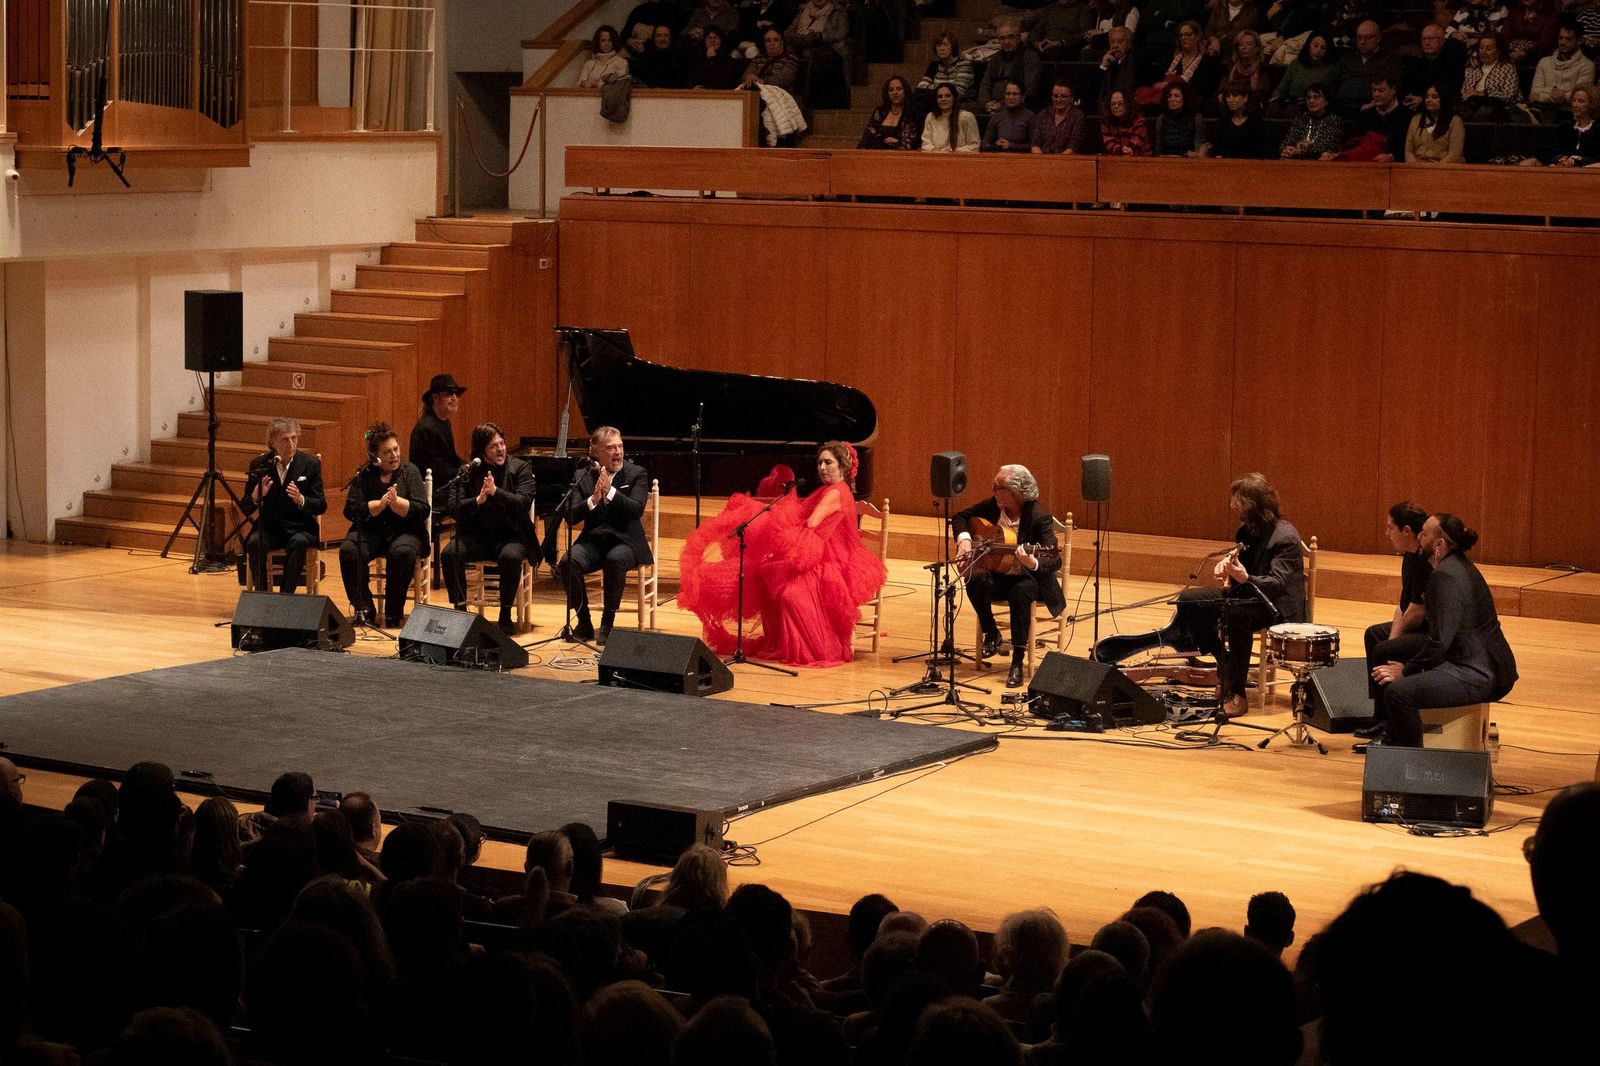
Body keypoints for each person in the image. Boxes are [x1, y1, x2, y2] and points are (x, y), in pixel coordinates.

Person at [677, 441, 887, 667]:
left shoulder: (835, 493)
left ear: (842, 467)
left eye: (828, 462)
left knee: (787, 591)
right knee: (767, 572)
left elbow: (812, 522)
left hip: (829, 561)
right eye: (820, 463)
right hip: (824, 554)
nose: (822, 467)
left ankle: (806, 646)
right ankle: (783, 642)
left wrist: (786, 522)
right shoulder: (832, 490)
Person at [1372, 513, 1518, 748]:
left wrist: (1407, 671)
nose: (1419, 537)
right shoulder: (1456, 566)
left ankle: (1410, 764)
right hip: (1470, 656)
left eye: (1425, 534)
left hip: (1476, 670)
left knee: (1398, 693)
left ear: (1439, 544)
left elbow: (1440, 642)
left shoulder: (1445, 577)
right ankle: (1388, 731)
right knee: (1387, 650)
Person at [1174, 473, 1306, 718]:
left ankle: (1238, 693)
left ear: (1256, 507)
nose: (1239, 514)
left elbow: (1278, 584)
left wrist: (1246, 578)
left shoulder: (1285, 538)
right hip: (1248, 596)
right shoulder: (1246, 532)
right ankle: (1224, 662)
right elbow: (1239, 568)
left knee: (1236, 616)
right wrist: (1227, 566)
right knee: (1188, 602)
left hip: (1277, 606)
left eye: (1242, 509)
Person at [953, 465, 1065, 689]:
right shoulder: (995, 506)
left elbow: (1054, 559)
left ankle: (1017, 663)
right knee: (974, 578)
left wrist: (1032, 561)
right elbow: (960, 517)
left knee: (1020, 592)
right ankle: (991, 632)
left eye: (997, 487)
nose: (993, 490)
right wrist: (965, 539)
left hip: (1030, 580)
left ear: (1013, 493)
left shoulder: (1039, 517)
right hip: (1000, 575)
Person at [550, 427, 653, 646]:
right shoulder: (582, 476)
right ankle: (584, 622)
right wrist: (593, 499)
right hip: (594, 541)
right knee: (568, 562)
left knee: (614, 560)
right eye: (610, 448)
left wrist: (612, 492)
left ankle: (607, 622)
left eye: (620, 446)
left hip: (626, 541)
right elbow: (570, 517)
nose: (618, 452)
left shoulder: (637, 473)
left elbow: (636, 509)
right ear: (596, 452)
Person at [441, 422, 537, 634]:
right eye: (494, 446)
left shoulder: (520, 467)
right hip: (477, 537)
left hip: (511, 536)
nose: (501, 449)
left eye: (502, 443)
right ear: (481, 450)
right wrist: (477, 500)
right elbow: (452, 507)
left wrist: (495, 492)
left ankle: (505, 615)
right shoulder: (467, 471)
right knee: (449, 554)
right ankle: (460, 611)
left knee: (511, 557)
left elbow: (523, 502)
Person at [339, 422, 429, 628]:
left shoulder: (410, 471)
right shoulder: (364, 474)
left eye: (396, 449)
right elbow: (351, 510)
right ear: (375, 456)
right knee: (349, 550)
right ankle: (364, 608)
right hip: (372, 531)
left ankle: (393, 612)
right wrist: (376, 506)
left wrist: (399, 505)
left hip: (405, 530)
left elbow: (423, 509)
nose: (394, 455)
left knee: (402, 552)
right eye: (387, 452)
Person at [1358, 502, 1432, 739]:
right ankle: (1379, 714)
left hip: (1431, 632)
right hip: (1417, 622)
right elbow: (1403, 607)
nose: (1387, 533)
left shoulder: (1424, 560)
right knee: (1374, 635)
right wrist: (1392, 639)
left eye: (1391, 528)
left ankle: (1391, 725)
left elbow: (1417, 612)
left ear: (1407, 530)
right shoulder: (1409, 556)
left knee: (1386, 647)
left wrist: (1393, 642)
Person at [242, 418, 326, 595]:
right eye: (285, 439)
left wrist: (301, 499)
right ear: (272, 443)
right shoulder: (260, 466)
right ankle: (262, 595)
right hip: (270, 528)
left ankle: (285, 597)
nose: (291, 444)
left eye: (294, 438)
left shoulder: (310, 464)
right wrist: (256, 497)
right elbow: (245, 507)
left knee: (298, 543)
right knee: (255, 542)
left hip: (300, 528)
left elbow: (320, 505)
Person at [409, 373, 465, 509]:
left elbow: (450, 457)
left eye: (456, 394)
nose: (454, 398)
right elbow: (433, 468)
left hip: (442, 484)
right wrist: (460, 471)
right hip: (432, 489)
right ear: (435, 397)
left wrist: (465, 466)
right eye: (448, 394)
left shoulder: (444, 422)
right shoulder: (426, 427)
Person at [1331, 20, 1398, 118]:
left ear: (1378, 38)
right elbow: (1333, 83)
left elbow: (1395, 86)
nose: (1362, 42)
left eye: (1367, 38)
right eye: (1359, 37)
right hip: (1341, 107)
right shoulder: (1347, 57)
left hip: (1372, 108)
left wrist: (1376, 103)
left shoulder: (1389, 58)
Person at [1530, 21, 1595, 113]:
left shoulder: (1587, 66)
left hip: (1572, 115)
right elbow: (1534, 95)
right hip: (1542, 113)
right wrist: (1563, 94)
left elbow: (1579, 99)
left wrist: (1545, 94)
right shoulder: (1544, 62)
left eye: (1568, 39)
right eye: (1561, 38)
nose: (1562, 42)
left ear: (1579, 41)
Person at [979, 22, 1043, 113]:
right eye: (1002, 38)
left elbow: (1030, 91)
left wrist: (1003, 106)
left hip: (1019, 105)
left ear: (1019, 37)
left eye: (1010, 37)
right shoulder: (996, 58)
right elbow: (985, 85)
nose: (1006, 42)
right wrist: (987, 103)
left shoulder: (1030, 57)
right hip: (992, 104)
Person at [1349, 73, 1413, 162]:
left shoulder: (1407, 116)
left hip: (1395, 167)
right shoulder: (1365, 115)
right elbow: (1354, 143)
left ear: (1393, 90)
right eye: (1374, 90)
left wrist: (1392, 157)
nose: (1376, 94)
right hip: (1364, 163)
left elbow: (1410, 148)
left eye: (1381, 90)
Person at [1403, 22, 1467, 107]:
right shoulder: (1416, 65)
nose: (1426, 43)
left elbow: (1450, 92)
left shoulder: (1452, 64)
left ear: (1442, 41)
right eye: (1424, 39)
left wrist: (1423, 99)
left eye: (1431, 39)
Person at [1268, 30, 1330, 116]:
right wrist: (1275, 99)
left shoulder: (1329, 69)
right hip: (1291, 101)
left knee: (1291, 111)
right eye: (1315, 46)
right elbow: (1282, 87)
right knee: (1273, 109)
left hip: (1312, 106)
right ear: (1309, 46)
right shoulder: (1296, 64)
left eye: (1323, 48)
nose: (1318, 50)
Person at [1460, 33, 1521, 119]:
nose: (1483, 52)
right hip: (1472, 105)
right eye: (1481, 48)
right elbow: (1465, 93)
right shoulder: (1471, 69)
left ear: (1498, 52)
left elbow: (1509, 95)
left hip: (1496, 106)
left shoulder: (1507, 68)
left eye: (1488, 49)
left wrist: (1481, 94)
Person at [1278, 83, 1343, 159]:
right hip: (1296, 158)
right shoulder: (1301, 118)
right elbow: (1287, 141)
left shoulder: (1333, 120)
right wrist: (1287, 149)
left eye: (1316, 97)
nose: (1311, 101)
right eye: (1308, 98)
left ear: (1326, 101)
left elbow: (1327, 146)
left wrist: (1301, 150)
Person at [1405, 84, 1467, 163]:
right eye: (1427, 96)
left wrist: (1435, 170)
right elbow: (1408, 151)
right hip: (1418, 169)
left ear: (1443, 99)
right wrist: (1416, 168)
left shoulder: (1455, 121)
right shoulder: (1416, 120)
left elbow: (1454, 154)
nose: (1428, 100)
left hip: (1443, 170)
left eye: (1434, 97)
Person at [916, 33, 975, 110]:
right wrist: (948, 87)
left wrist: (934, 87)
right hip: (936, 103)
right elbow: (921, 87)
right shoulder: (934, 65)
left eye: (945, 45)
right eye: (939, 46)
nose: (942, 48)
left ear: (953, 47)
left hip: (959, 104)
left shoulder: (963, 64)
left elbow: (958, 92)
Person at [858, 75, 919, 149]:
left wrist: (878, 140)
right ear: (887, 93)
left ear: (905, 91)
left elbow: (906, 145)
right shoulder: (880, 112)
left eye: (898, 89)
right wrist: (885, 141)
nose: (894, 92)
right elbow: (866, 139)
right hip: (876, 156)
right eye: (891, 90)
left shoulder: (910, 114)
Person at [1545, 83, 1599, 165]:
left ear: (1591, 105)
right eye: (1574, 101)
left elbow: (1597, 158)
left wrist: (1575, 162)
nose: (1575, 105)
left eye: (1581, 101)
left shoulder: (1598, 129)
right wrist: (1560, 159)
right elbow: (1553, 153)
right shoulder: (1565, 127)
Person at [1153, 80, 1210, 156]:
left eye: (1176, 96)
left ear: (1185, 98)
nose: (1172, 99)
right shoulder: (1162, 119)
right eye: (1170, 96)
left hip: (1188, 161)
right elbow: (1158, 149)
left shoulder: (1196, 118)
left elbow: (1198, 151)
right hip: (1166, 161)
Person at [1031, 78, 1087, 153]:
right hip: (1042, 159)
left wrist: (1057, 163)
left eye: (1063, 96)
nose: (1058, 99)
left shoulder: (1078, 116)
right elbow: (1035, 144)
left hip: (1067, 161)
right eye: (1055, 96)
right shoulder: (1043, 114)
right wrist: (1042, 161)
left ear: (1071, 98)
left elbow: (1074, 146)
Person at [1214, 80, 1269, 157]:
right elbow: (1217, 149)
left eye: (1235, 96)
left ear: (1245, 98)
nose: (1230, 100)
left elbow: (1262, 151)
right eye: (1228, 96)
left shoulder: (1256, 122)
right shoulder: (1223, 122)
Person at [921, 84, 981, 151]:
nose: (943, 99)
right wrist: (938, 151)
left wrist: (953, 151)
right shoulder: (931, 117)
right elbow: (925, 144)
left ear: (954, 98)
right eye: (940, 96)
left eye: (947, 96)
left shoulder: (967, 117)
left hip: (959, 159)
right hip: (937, 157)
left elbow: (974, 145)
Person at [741, 27, 801, 93]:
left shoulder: (790, 58)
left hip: (780, 94)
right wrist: (749, 76)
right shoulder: (759, 57)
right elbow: (748, 71)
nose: (772, 43)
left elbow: (785, 79)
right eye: (768, 40)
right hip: (757, 93)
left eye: (776, 40)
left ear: (782, 42)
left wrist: (762, 81)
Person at [982, 81, 1036, 151]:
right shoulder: (997, 117)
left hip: (1023, 158)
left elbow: (1035, 146)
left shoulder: (1030, 117)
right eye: (1008, 94)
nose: (1010, 97)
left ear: (1022, 97)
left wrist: (1011, 146)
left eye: (1015, 94)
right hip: (1000, 157)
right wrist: (996, 147)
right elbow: (985, 144)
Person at [631, 23, 688, 88]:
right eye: (659, 35)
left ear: (671, 39)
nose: (662, 39)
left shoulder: (680, 59)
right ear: (654, 39)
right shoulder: (645, 57)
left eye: (666, 35)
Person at [1095, 26, 1138, 109]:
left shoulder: (1134, 61)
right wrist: (1103, 66)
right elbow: (1094, 90)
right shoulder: (1105, 58)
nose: (1115, 46)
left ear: (1129, 44)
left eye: (1120, 41)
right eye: (1112, 42)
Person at [1100, 89, 1151, 154]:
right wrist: (1120, 149)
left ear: (1127, 105)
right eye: (1113, 104)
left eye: (1120, 104)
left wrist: (1126, 150)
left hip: (1140, 157)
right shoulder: (1106, 120)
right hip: (1116, 156)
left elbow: (1137, 142)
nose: (1116, 106)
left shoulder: (1138, 120)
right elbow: (1107, 142)